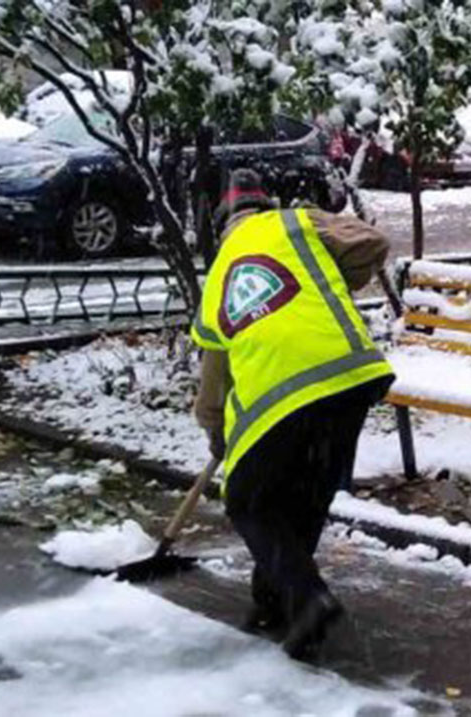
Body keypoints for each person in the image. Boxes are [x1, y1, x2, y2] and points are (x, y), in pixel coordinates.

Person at [190, 168, 394, 659]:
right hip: (349, 376)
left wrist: (213, 425)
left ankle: (307, 600)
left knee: (248, 499)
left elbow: (214, 373)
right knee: (303, 493)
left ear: (222, 223)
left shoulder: (220, 274)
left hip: (286, 391)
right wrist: (329, 280)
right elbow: (371, 242)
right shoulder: (300, 226)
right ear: (266, 204)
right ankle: (276, 600)